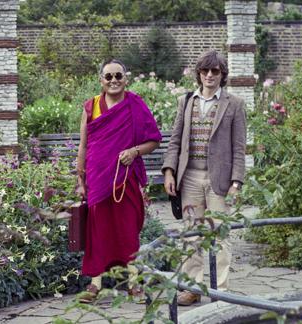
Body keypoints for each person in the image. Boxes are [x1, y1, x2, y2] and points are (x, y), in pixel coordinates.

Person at [162, 50, 247, 306]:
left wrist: (236, 182)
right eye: (205, 71)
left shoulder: (234, 104)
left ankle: (221, 291)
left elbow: (239, 147)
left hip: (219, 180)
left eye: (215, 71)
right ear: (199, 74)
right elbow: (175, 140)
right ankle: (192, 289)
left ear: (222, 75)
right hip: (190, 178)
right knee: (191, 234)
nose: (210, 75)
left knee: (220, 235)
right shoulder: (186, 101)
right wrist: (169, 171)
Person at [76, 59, 161, 302]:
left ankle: (134, 283)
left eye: (118, 76)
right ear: (101, 80)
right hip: (97, 177)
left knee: (128, 231)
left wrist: (134, 152)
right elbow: (83, 146)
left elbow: (154, 140)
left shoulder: (135, 105)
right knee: (98, 231)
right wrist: (80, 179)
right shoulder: (91, 106)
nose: (113, 81)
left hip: (125, 180)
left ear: (126, 79)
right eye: (108, 77)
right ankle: (94, 284)